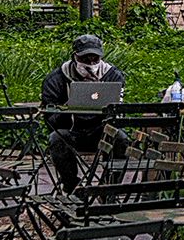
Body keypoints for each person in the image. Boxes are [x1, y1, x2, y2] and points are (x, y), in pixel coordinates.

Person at [40, 33, 127, 191]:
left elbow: (119, 111)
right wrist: (69, 107)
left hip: (100, 130)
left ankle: (108, 187)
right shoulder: (56, 79)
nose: (91, 64)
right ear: (74, 57)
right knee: (56, 139)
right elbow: (49, 118)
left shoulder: (113, 75)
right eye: (85, 59)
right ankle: (72, 185)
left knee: (120, 138)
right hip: (71, 131)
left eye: (95, 59)